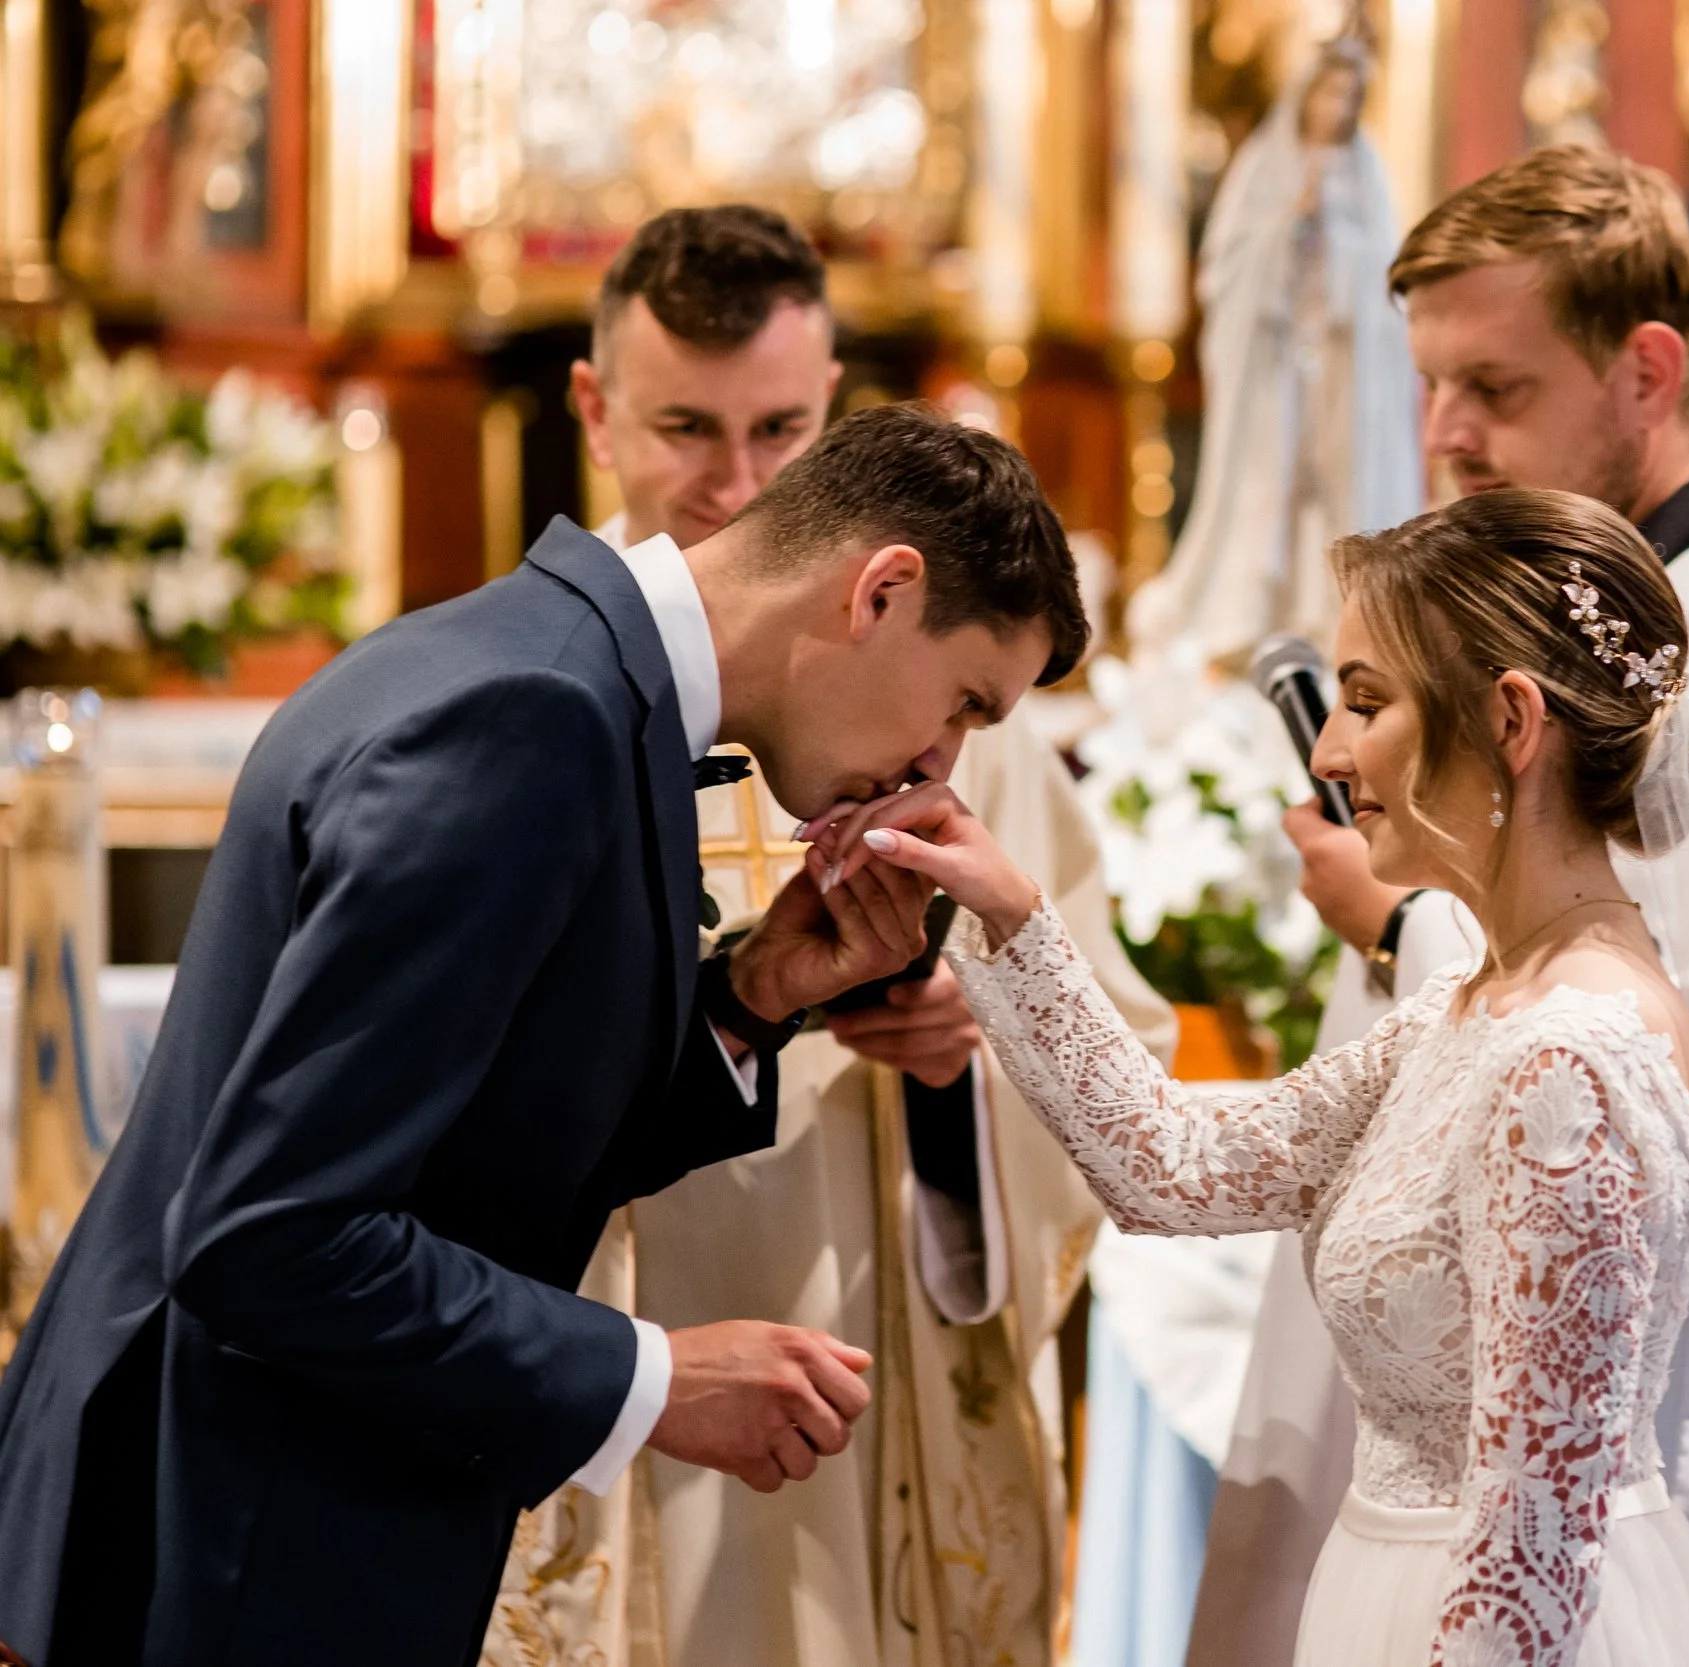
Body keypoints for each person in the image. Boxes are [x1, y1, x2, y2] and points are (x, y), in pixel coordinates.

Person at [818, 489, 1689, 1667]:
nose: (1333, 751)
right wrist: (1005, 915)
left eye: (1366, 700)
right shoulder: (1480, 1004)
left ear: (1510, 722)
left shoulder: (1563, 1065)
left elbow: (1535, 1540)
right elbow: (1174, 1168)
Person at [0, 399, 1087, 1667]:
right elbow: (270, 1234)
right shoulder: (531, 717)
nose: (937, 764)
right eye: (962, 702)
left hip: (256, 1501)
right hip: (233, 1541)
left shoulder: (548, 659)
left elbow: (481, 1132)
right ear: (881, 590)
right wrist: (653, 1378)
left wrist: (752, 995)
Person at [1196, 144, 1689, 1667]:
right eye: (1434, 385)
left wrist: (1391, 921)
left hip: (1682, 1445)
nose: (1449, 433)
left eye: (1498, 385)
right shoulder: (1556, 621)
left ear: (1646, 370)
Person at [496, 204, 1173, 1667]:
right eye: (688, 426)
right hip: (616, 1341)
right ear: (597, 412)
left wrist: (961, 1069)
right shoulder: (525, 708)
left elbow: (1123, 1061)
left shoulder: (960, 705)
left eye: (782, 429)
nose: (737, 480)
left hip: (865, 1367)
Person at [1123, 28, 1421, 664]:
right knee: (1268, 484)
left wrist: (1341, 252)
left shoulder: (1367, 177)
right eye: (1329, 94)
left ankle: (1329, 616)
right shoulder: (1265, 170)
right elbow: (1227, 270)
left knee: (1336, 487)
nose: (1337, 109)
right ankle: (1253, 612)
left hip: (1343, 370)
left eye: (1350, 96)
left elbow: (1388, 283)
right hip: (1277, 366)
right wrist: (1288, 230)